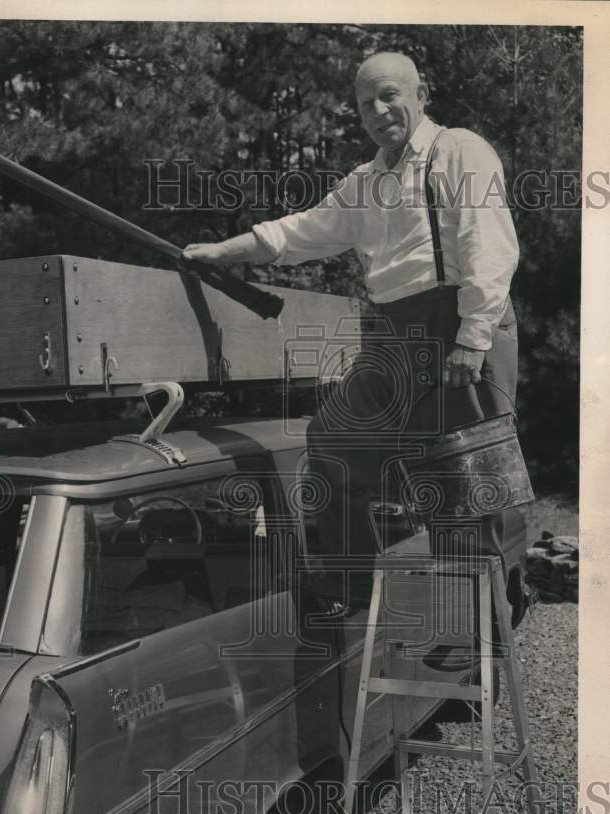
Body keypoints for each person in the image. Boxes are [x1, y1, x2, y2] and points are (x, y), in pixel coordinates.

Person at [183, 51, 523, 628]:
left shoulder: (460, 149)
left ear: (420, 94)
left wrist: (472, 336)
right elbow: (294, 234)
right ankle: (352, 588)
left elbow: (489, 246)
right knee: (335, 443)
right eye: (366, 103)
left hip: (459, 327)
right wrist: (221, 252)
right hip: (395, 335)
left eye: (389, 95)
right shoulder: (364, 183)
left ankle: (481, 630)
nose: (379, 110)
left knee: (463, 487)